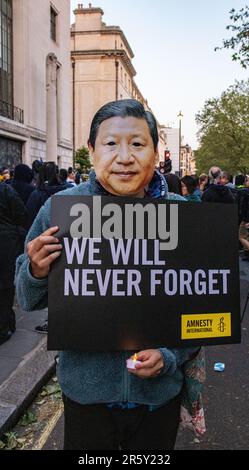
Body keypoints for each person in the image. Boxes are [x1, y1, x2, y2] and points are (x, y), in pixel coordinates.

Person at [15, 99, 200, 450]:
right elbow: (26, 298)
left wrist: (170, 355)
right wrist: (36, 270)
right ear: (91, 150)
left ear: (156, 152)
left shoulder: (182, 214)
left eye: (138, 144)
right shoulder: (59, 210)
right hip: (87, 396)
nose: (125, 157)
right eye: (111, 143)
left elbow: (203, 306)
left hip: (157, 398)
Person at [0, 183, 28, 345]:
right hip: (6, 243)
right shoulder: (6, 190)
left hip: (7, 240)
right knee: (5, 285)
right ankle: (4, 325)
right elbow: (21, 214)